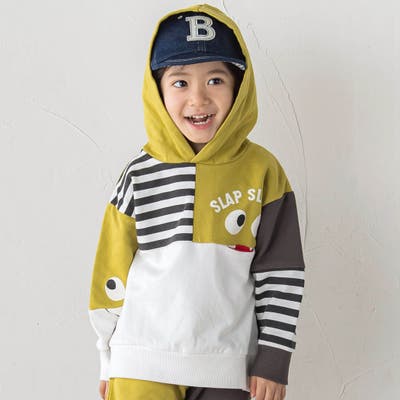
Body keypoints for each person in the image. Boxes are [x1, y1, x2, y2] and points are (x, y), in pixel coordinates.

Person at [88, 4, 305, 400]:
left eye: (216, 80)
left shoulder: (263, 171)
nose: (198, 98)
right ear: (157, 91)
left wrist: (274, 360)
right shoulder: (138, 173)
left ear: (240, 87)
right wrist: (107, 357)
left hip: (228, 368)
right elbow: (110, 270)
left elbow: (281, 274)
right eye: (180, 82)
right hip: (140, 363)